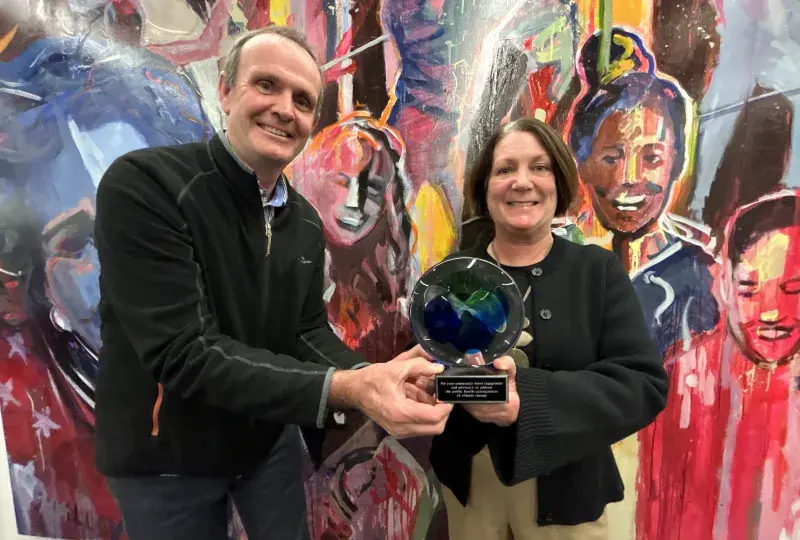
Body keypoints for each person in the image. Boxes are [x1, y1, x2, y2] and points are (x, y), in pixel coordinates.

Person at [92, 25, 452, 540]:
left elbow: (304, 331)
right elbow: (183, 352)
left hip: (266, 444)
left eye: (303, 99)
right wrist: (352, 387)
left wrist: (377, 375)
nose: (285, 108)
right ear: (226, 89)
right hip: (165, 460)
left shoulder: (303, 222)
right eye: (266, 85)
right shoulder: (147, 186)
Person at [428, 117, 668, 540]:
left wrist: (525, 403)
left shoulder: (598, 271)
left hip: (570, 492)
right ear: (485, 188)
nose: (522, 183)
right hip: (471, 493)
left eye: (539, 168)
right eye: (505, 169)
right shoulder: (451, 275)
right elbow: (433, 371)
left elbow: (643, 386)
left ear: (558, 184)